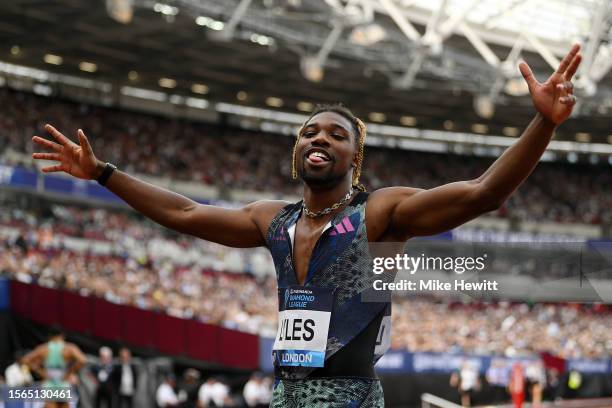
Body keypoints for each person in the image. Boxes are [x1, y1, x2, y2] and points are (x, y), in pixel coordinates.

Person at [31, 45, 582, 407]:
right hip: (286, 396)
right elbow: (186, 213)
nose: (319, 138)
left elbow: (485, 193)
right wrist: (103, 172)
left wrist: (543, 123)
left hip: (352, 396)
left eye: (336, 135)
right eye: (309, 131)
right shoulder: (275, 219)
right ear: (296, 148)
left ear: (355, 159)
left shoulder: (382, 215)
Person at [22, 328, 87, 408]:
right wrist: (70, 372)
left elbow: (25, 359)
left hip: (50, 382)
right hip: (63, 381)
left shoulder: (44, 348)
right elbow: (83, 360)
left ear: (50, 336)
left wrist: (40, 371)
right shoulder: (69, 348)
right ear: (62, 335)